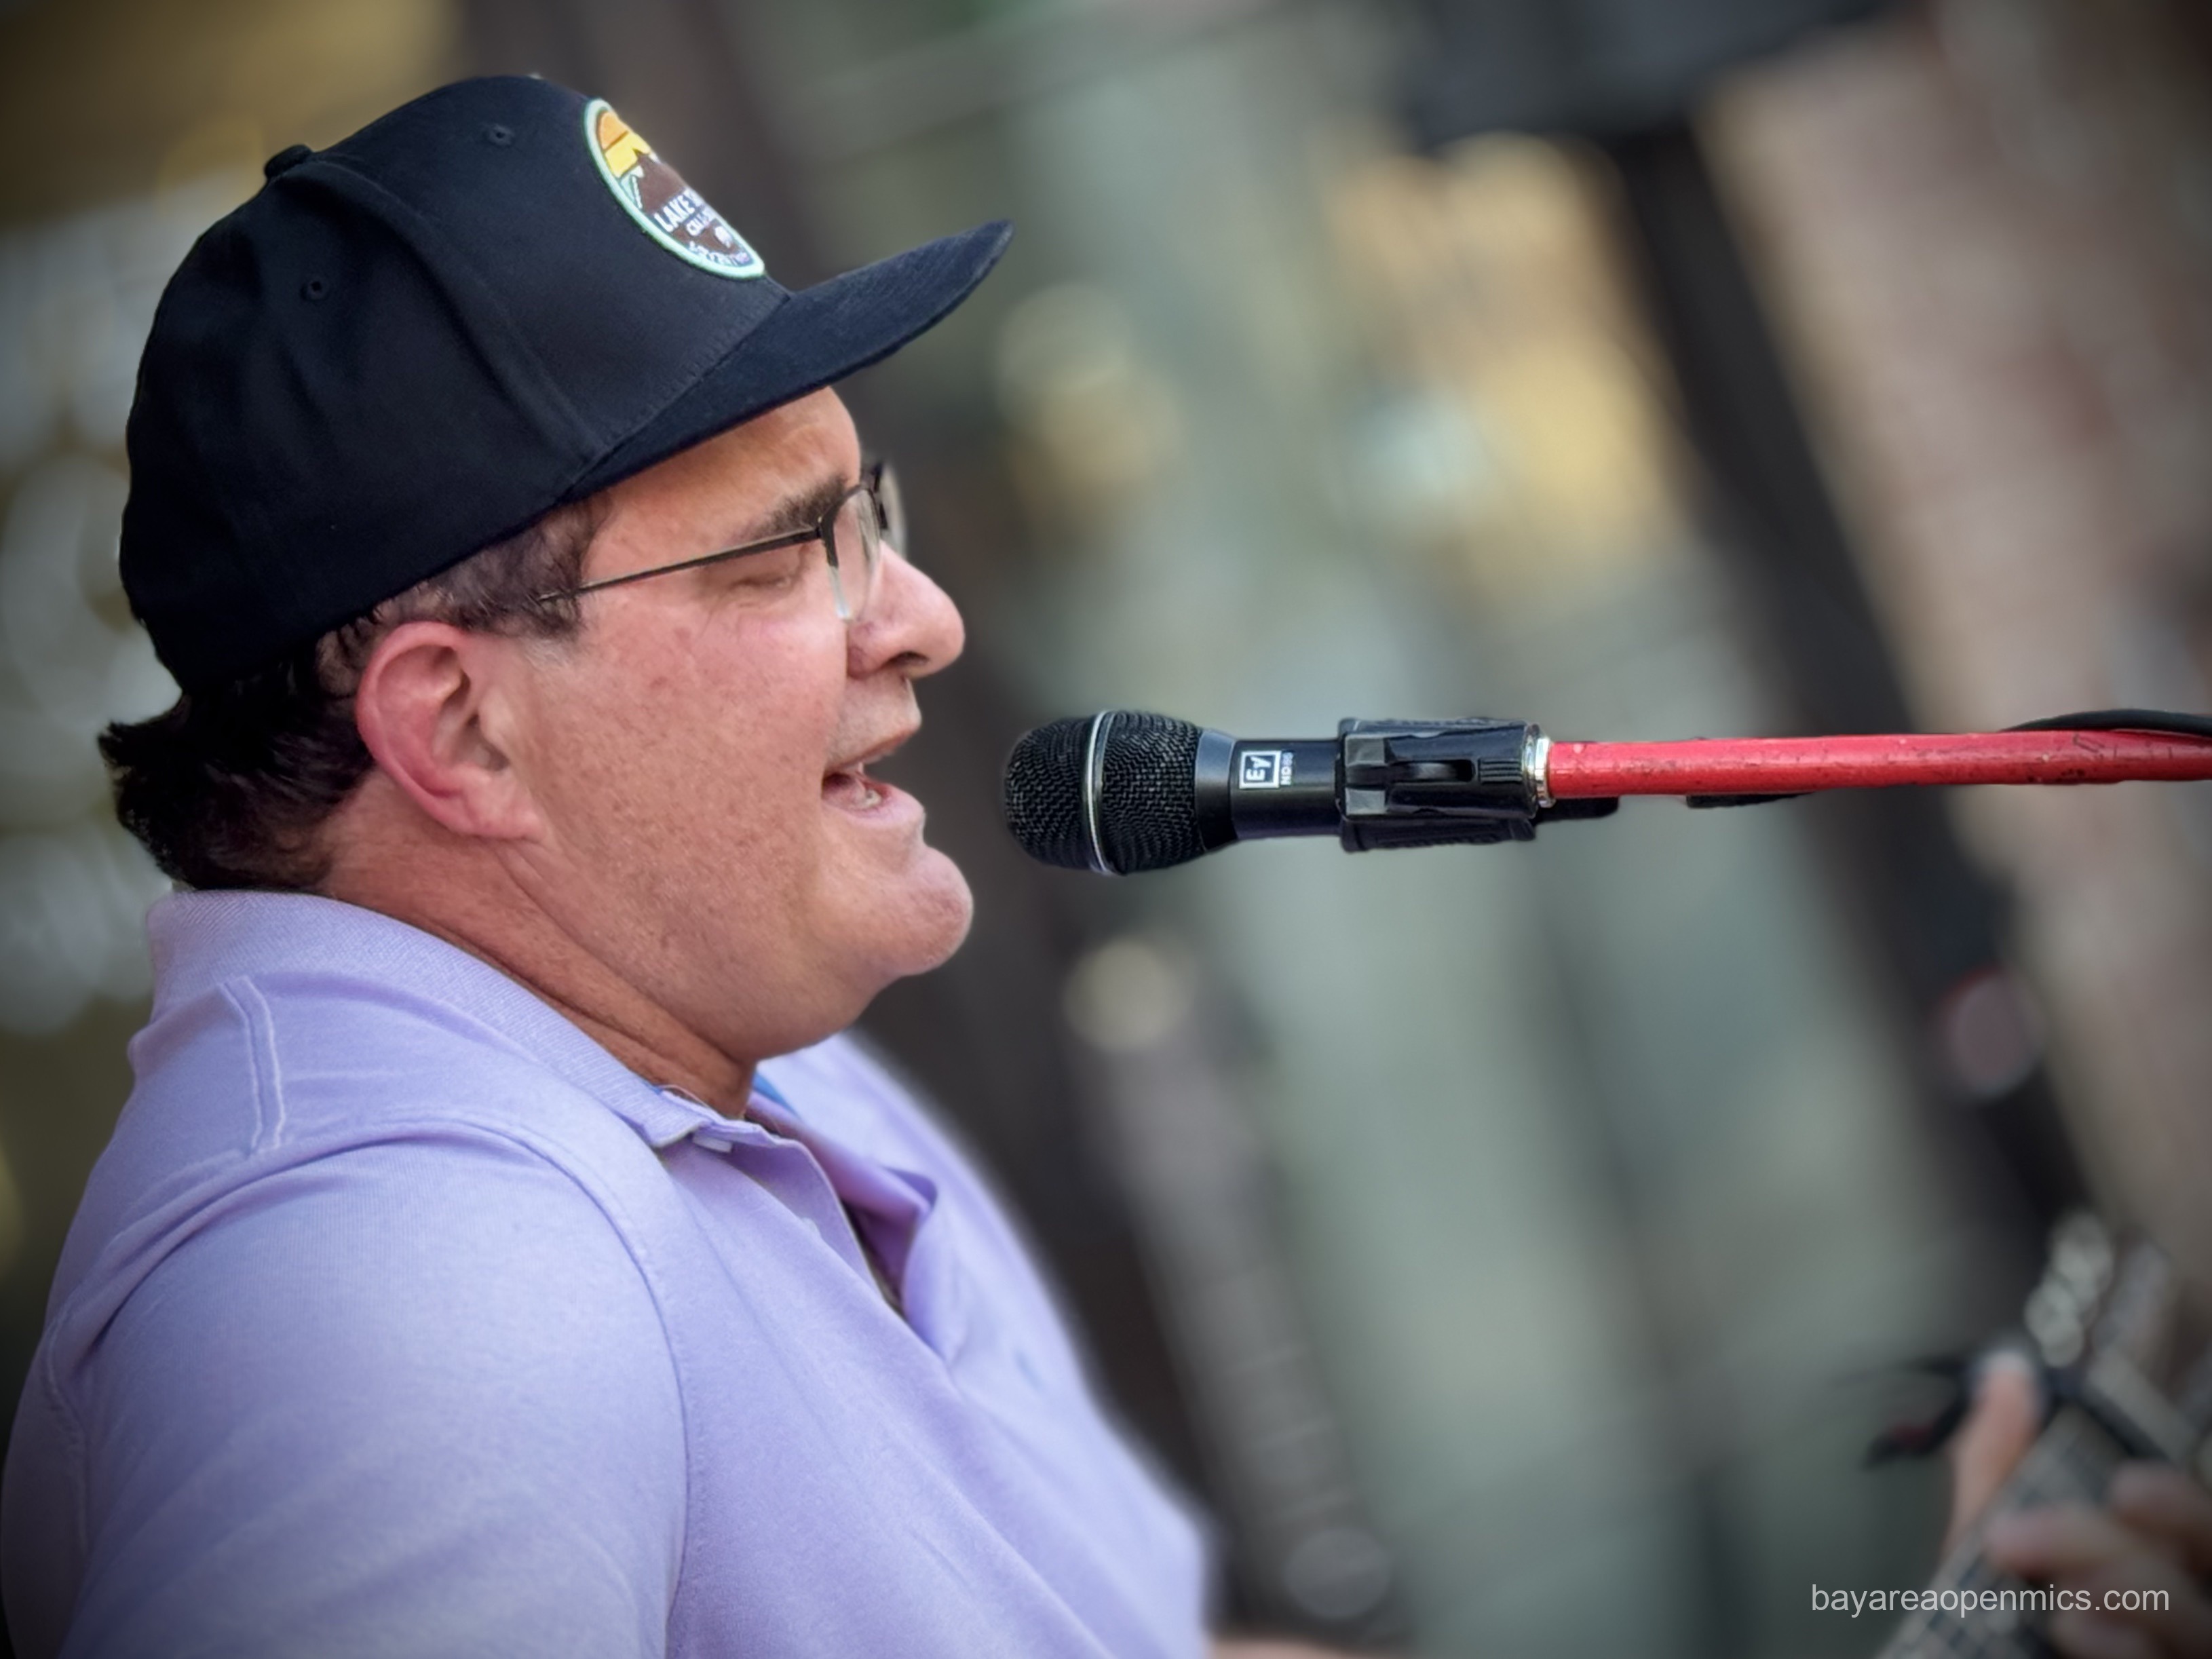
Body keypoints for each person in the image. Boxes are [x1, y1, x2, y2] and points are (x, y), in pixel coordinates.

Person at [0, 74, 1342, 1659]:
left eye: (869, 514)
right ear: (461, 728)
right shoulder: (399, 1294)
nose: (921, 615)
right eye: (782, 557)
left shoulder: (735, 1048)